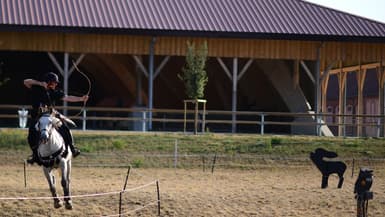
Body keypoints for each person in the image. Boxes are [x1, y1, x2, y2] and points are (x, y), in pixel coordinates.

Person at [24, 72, 89, 165]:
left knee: (65, 128)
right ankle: (35, 155)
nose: (56, 84)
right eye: (54, 82)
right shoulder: (36, 88)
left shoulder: (54, 92)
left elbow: (67, 97)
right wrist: (40, 83)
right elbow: (26, 82)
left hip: (51, 116)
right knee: (31, 135)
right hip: (37, 117)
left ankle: (72, 148)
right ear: (49, 82)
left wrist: (81, 99)